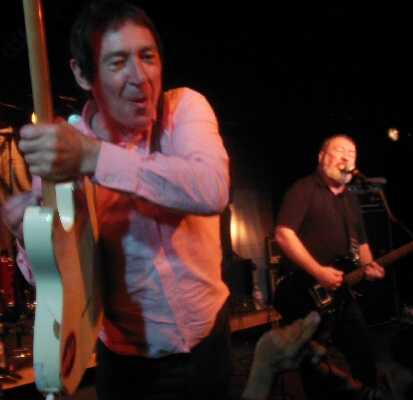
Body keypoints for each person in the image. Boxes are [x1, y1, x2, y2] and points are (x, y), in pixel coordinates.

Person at [1, 1, 231, 399]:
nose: (140, 77)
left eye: (147, 57)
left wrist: (95, 158)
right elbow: (60, 280)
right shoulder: (64, 149)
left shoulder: (184, 108)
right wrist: (30, 235)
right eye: (118, 62)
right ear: (81, 73)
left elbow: (211, 189)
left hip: (211, 342)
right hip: (128, 367)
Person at [274, 134, 387, 398]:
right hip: (305, 292)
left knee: (362, 354)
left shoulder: (350, 200)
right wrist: (318, 272)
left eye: (352, 153)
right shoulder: (303, 189)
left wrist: (369, 267)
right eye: (339, 151)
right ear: (322, 157)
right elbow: (283, 234)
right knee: (316, 367)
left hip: (341, 294)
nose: (347, 157)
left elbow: (362, 243)